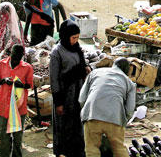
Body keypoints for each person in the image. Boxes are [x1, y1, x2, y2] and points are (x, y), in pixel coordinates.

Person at [80, 58, 136, 157]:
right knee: (119, 148)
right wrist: (122, 122)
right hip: (115, 118)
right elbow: (130, 109)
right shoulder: (129, 83)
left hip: (92, 115)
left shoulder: (94, 73)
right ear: (126, 70)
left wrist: (87, 112)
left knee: (92, 148)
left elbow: (82, 99)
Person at [50, 20, 87, 157]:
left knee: (77, 125)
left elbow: (82, 64)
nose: (75, 40)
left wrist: (85, 68)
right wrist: (58, 102)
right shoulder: (57, 52)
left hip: (78, 93)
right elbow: (54, 79)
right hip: (64, 95)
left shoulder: (77, 48)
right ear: (65, 36)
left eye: (77, 37)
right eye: (73, 38)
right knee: (64, 127)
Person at [0, 45, 33, 157]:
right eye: (14, 57)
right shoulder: (2, 64)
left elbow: (29, 85)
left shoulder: (27, 67)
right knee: (2, 136)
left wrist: (22, 85)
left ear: (22, 56)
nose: (15, 60)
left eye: (18, 58)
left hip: (19, 107)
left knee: (17, 137)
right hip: (3, 106)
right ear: (10, 54)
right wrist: (4, 80)